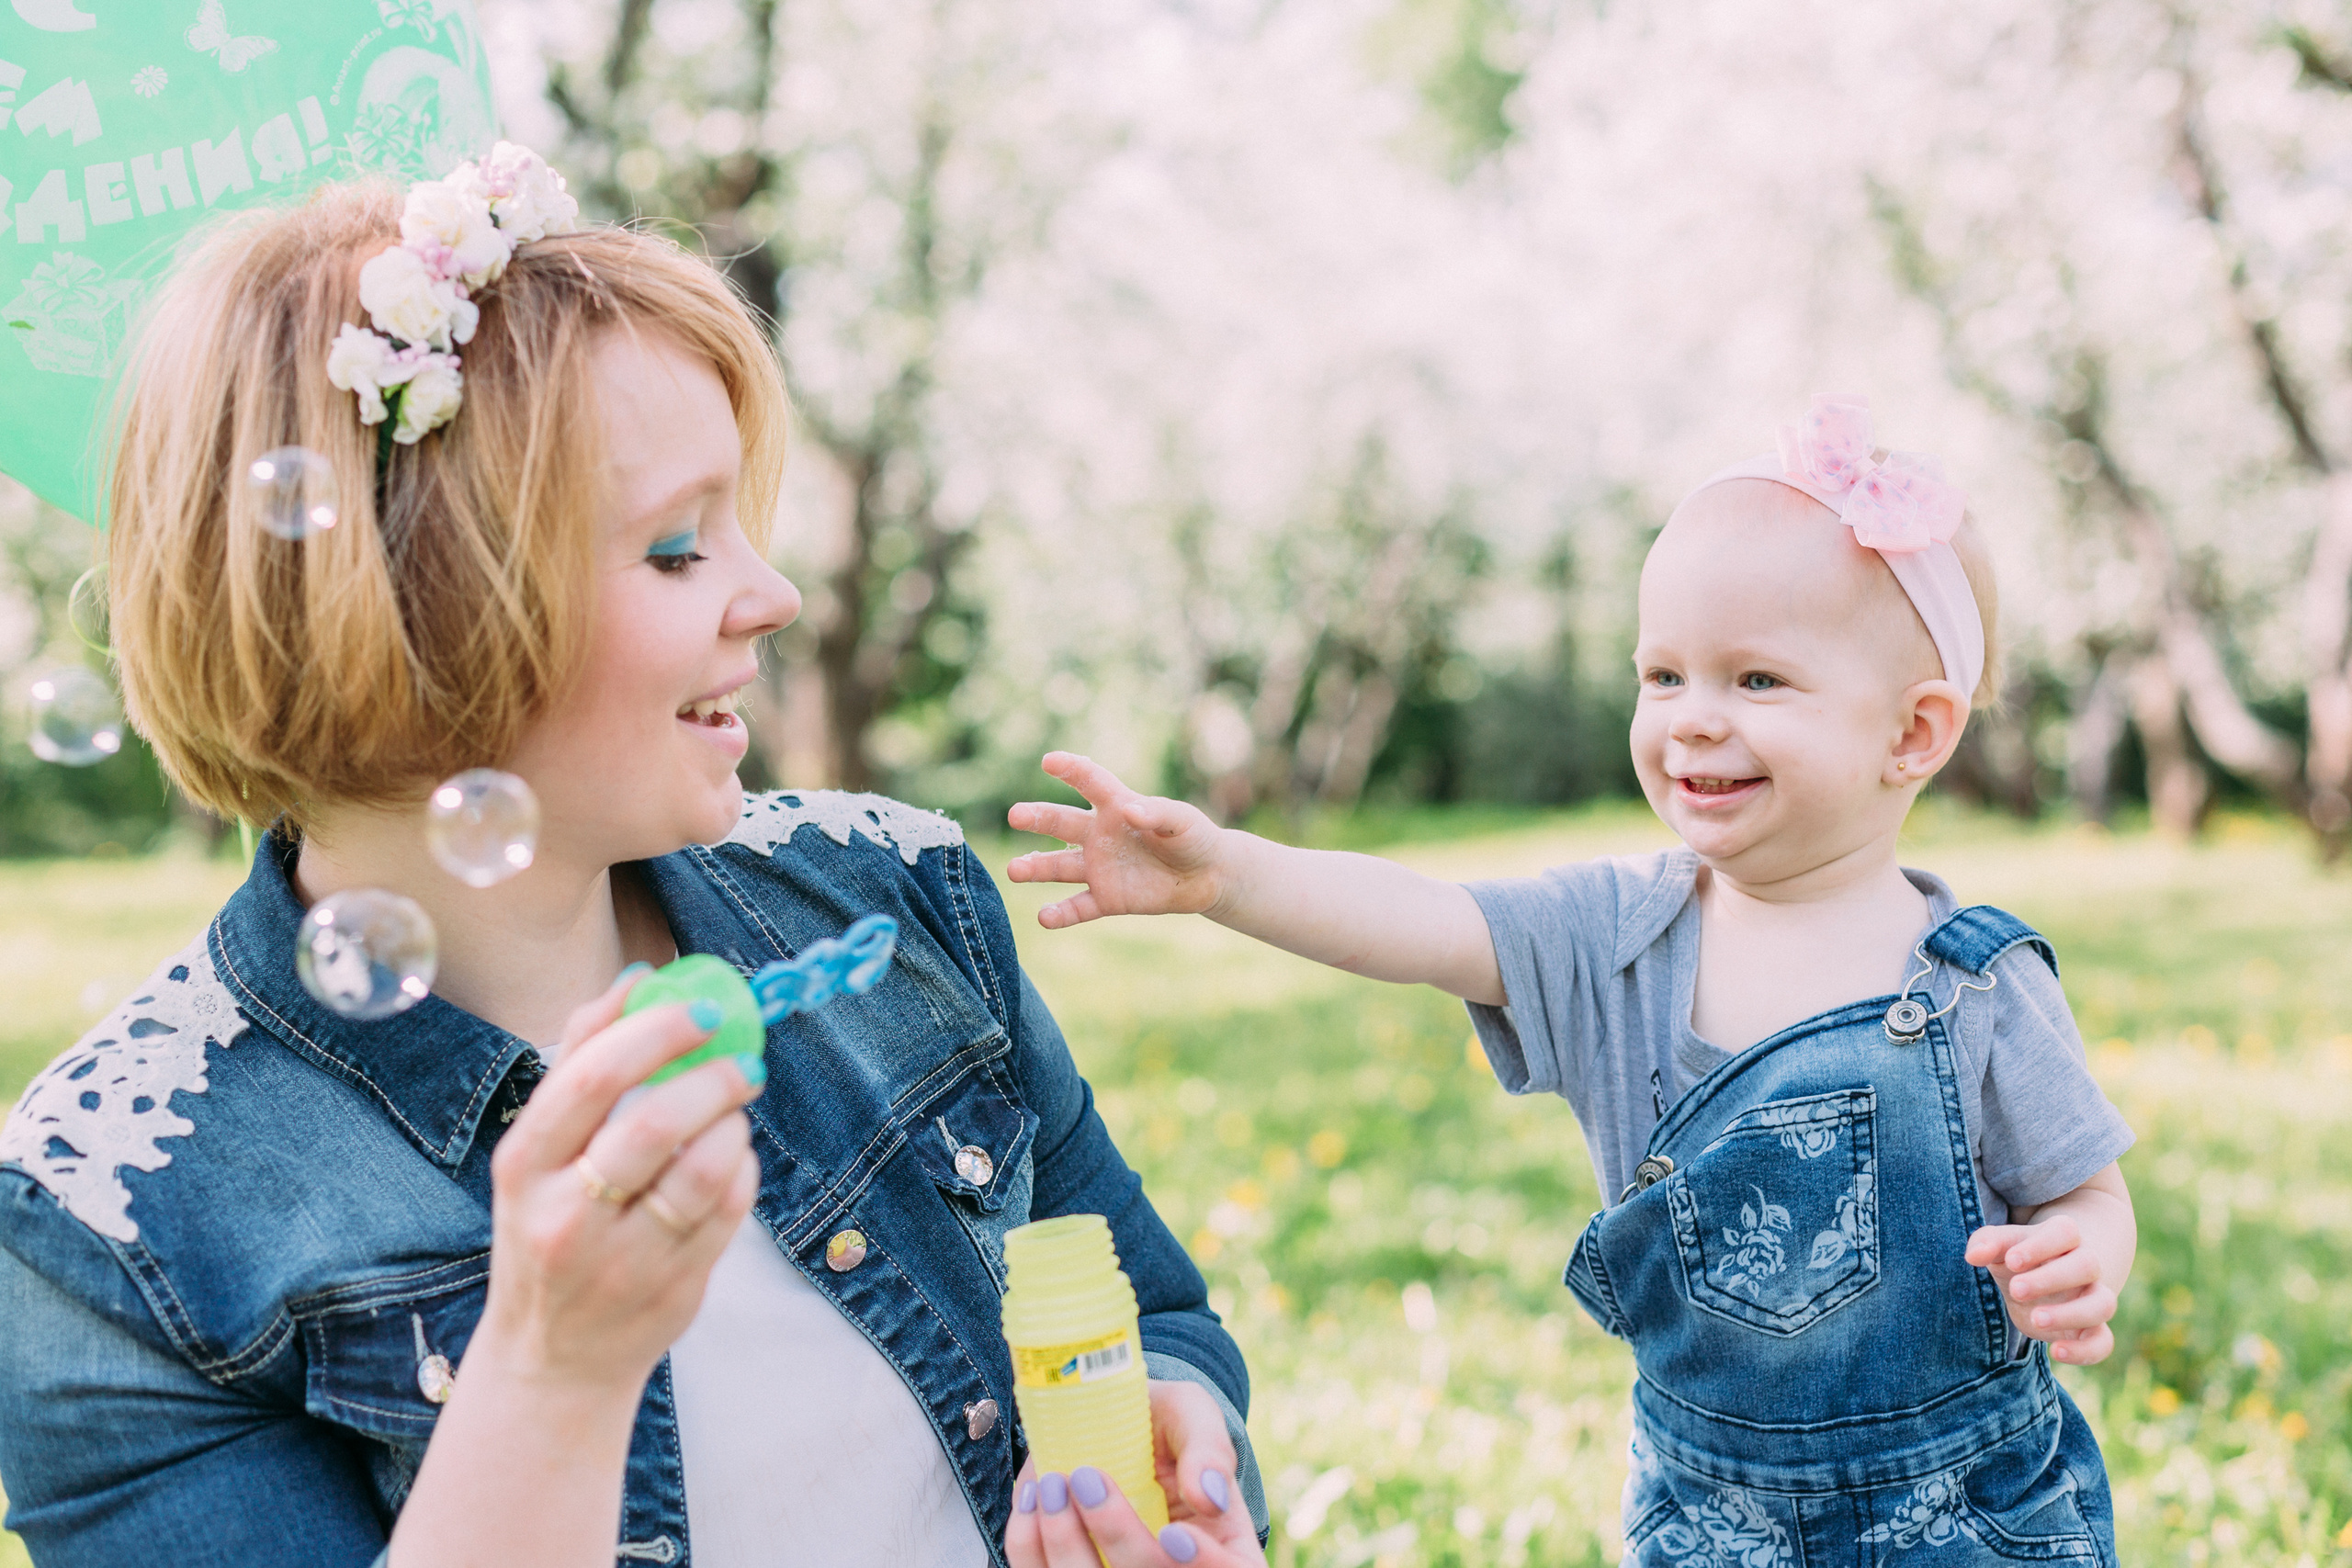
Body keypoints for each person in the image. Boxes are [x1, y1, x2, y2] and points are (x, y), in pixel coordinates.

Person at [0, 149, 1269, 1568]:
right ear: (410, 611)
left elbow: (1152, 1309)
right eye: (676, 549)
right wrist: (552, 1362)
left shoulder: (893, 896)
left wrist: (1175, 1428)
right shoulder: (116, 1214)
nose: (772, 593)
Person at [1006, 396, 2137, 1566]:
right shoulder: (1615, 941)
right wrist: (1224, 874)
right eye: (1662, 676)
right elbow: (1416, 918)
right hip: (1712, 1521)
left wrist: (2082, 1254)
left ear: (1913, 733)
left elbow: (2087, 1193)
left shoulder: (1979, 984)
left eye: (1755, 681)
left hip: (1968, 1513)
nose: (1692, 721)